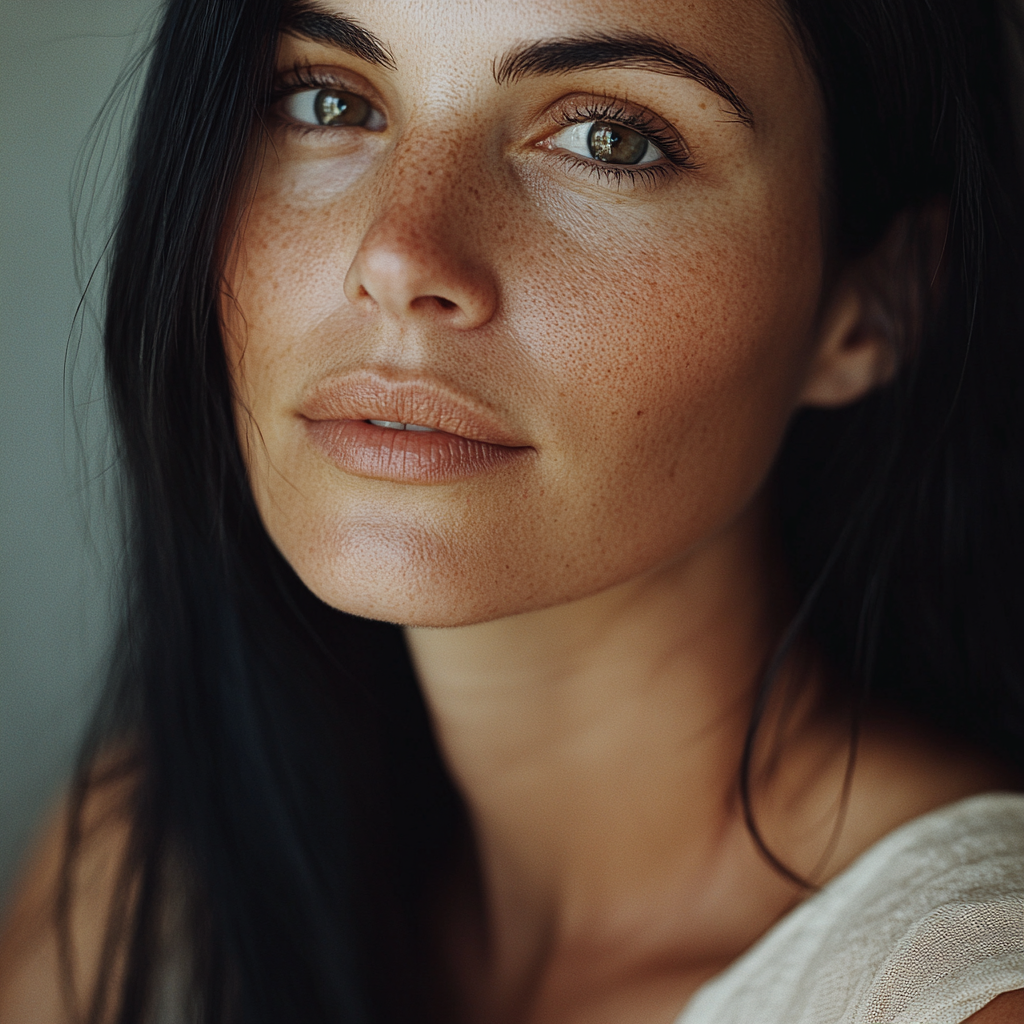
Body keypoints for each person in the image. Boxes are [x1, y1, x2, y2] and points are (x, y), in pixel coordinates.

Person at [2, 0, 1024, 1020]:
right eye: (326, 100)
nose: (400, 257)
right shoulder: (146, 878)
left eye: (609, 139)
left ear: (874, 303)